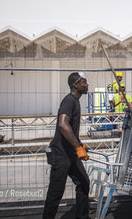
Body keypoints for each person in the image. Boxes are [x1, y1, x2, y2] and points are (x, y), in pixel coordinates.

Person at [43, 72, 90, 219]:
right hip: (61, 154)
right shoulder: (69, 101)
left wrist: (79, 144)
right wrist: (78, 147)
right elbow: (63, 124)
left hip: (71, 153)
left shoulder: (75, 101)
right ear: (75, 85)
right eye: (84, 82)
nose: (87, 84)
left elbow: (70, 129)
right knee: (55, 192)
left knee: (83, 182)